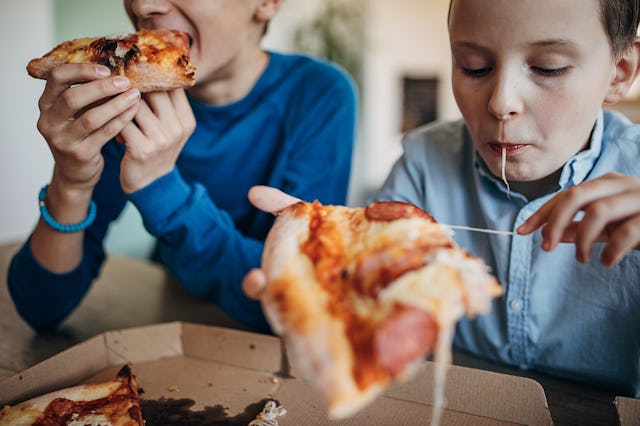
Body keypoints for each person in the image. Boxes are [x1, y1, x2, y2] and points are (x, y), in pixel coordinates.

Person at [242, 0, 640, 397]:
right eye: (474, 67)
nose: (501, 103)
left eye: (547, 68)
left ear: (620, 73)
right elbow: (371, 300)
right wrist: (334, 289)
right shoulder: (423, 163)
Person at [8, 0, 357, 333]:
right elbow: (42, 307)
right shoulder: (123, 101)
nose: (142, 6)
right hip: (164, 321)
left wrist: (161, 188)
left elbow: (301, 293)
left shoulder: (319, 94)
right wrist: (70, 182)